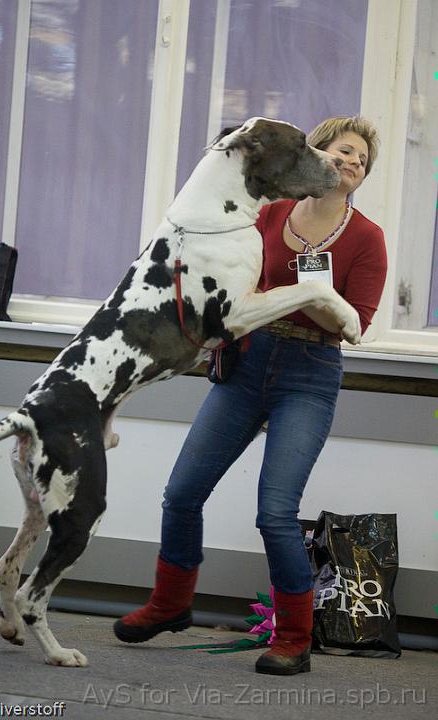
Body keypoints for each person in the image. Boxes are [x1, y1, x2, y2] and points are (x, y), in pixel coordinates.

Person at [113, 116, 388, 675]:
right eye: (343, 151)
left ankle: (294, 637)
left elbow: (353, 322)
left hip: (309, 374)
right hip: (246, 361)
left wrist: (289, 297)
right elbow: (231, 280)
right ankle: (171, 604)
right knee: (182, 493)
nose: (351, 164)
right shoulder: (269, 213)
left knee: (275, 513)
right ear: (314, 154)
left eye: (361, 159)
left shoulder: (367, 238)